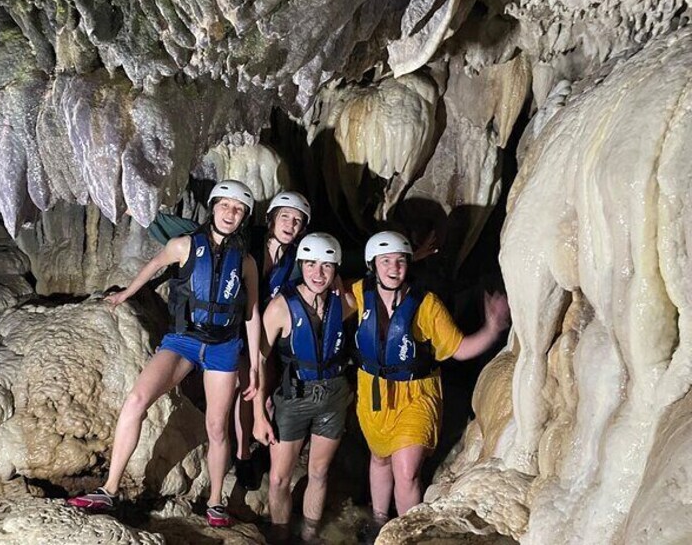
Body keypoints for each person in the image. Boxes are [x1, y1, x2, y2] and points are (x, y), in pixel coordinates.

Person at [67, 180, 262, 528]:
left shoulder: (245, 262)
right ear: (214, 207)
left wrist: (256, 364)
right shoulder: (184, 245)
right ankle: (109, 488)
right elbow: (153, 265)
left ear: (244, 217)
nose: (230, 213)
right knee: (137, 399)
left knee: (217, 426)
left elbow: (252, 313)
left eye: (238, 209)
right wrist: (125, 294)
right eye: (225, 205)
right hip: (183, 340)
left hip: (222, 347)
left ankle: (215, 501)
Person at [144, 190, 312, 490]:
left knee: (261, 385)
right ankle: (242, 453)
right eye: (285, 217)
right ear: (271, 219)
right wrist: (148, 217)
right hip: (226, 327)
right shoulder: (245, 241)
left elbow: (324, 269)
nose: (290, 225)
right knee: (243, 384)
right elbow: (191, 232)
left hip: (259, 329)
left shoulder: (296, 261)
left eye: (297, 221)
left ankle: (248, 448)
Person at [347, 231, 509, 535]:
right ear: (373, 265)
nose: (393, 268)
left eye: (400, 261)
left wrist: (491, 329)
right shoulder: (359, 294)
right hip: (373, 394)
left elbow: (460, 349)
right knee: (380, 459)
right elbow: (327, 302)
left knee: (407, 473)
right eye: (386, 261)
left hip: (416, 396)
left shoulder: (427, 304)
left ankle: (406, 533)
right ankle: (379, 521)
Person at [252, 233, 356, 543]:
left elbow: (380, 288)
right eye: (311, 265)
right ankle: (280, 536)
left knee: (319, 472)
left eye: (326, 266)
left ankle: (310, 536)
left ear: (335, 269)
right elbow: (259, 361)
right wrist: (258, 414)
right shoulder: (280, 308)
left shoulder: (346, 302)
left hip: (334, 394)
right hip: (294, 395)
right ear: (301, 265)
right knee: (279, 478)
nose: (318, 273)